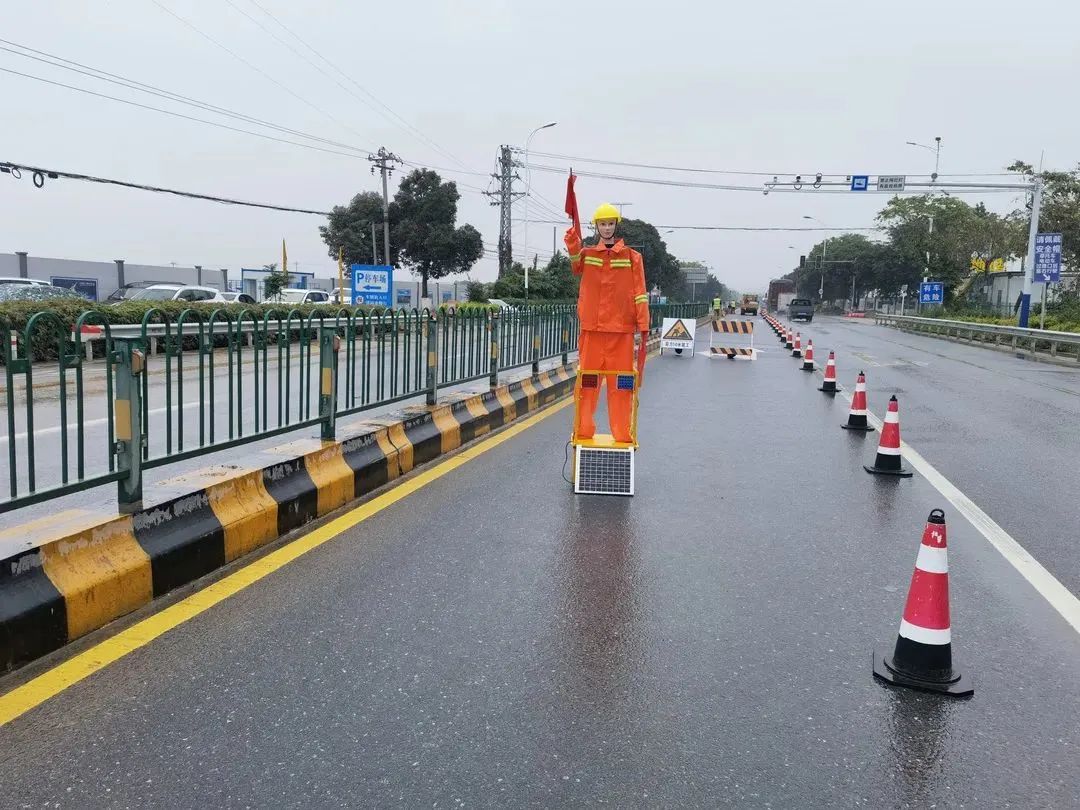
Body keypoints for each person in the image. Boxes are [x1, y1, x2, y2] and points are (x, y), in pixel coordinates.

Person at [565, 203, 650, 443]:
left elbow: (640, 292)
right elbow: (574, 265)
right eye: (602, 224)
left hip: (621, 333)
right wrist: (573, 242)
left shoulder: (633, 258)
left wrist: (643, 323)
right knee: (587, 385)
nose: (606, 228)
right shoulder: (588, 255)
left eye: (610, 223)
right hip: (592, 331)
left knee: (621, 387)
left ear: (616, 225)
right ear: (597, 227)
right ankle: (583, 432)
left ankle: (622, 434)